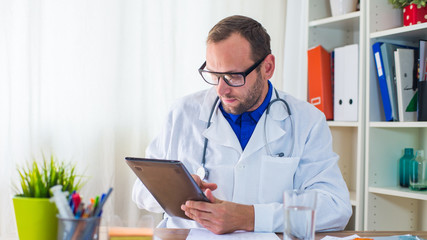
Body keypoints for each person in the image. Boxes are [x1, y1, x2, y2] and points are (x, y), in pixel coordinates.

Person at [132, 15, 352, 234]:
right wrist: (180, 189)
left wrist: (250, 217)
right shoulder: (182, 113)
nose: (221, 90)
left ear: (267, 67)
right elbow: (140, 191)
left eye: (233, 76)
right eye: (214, 74)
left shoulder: (307, 121)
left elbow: (335, 207)